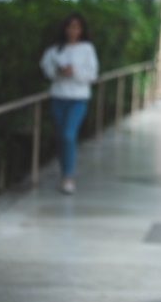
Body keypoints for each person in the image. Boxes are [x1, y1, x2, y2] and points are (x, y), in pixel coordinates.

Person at [40, 13, 99, 194]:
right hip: (59, 97)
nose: (72, 30)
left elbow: (93, 74)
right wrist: (59, 72)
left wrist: (74, 72)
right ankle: (64, 170)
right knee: (61, 137)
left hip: (78, 98)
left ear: (81, 30)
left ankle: (68, 175)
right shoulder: (56, 49)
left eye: (76, 27)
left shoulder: (87, 48)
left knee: (68, 135)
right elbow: (45, 67)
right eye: (70, 26)